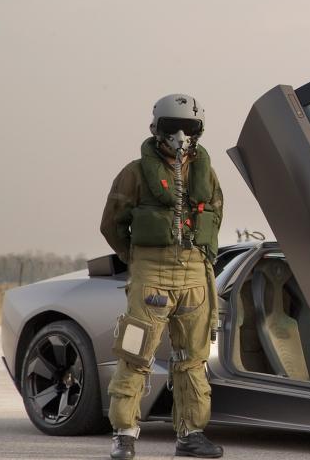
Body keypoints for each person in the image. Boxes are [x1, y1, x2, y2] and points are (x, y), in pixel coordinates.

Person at [100, 94, 224, 459]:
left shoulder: (206, 174)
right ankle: (124, 434)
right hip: (151, 276)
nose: (180, 135)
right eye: (172, 127)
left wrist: (201, 259)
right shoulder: (135, 173)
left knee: (193, 358)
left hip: (195, 279)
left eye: (189, 128)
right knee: (136, 354)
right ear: (157, 129)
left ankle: (191, 433)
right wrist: (136, 260)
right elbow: (112, 224)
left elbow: (214, 219)